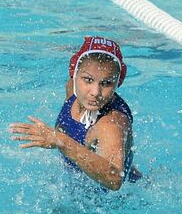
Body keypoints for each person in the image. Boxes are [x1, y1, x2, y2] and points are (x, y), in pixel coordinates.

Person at [9, 36, 140, 191]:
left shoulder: (111, 123)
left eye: (106, 83)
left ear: (118, 81)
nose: (95, 92)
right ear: (74, 73)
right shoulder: (72, 88)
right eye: (88, 80)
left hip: (121, 199)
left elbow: (115, 180)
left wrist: (60, 141)